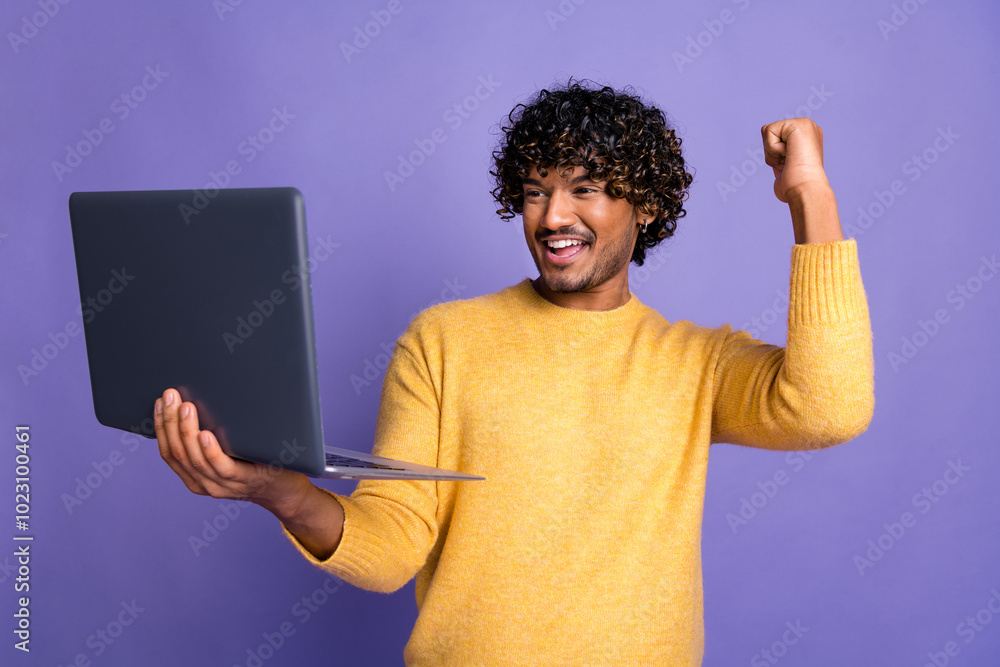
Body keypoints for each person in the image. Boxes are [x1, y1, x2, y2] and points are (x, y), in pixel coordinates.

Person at [154, 80, 874, 665]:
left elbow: (828, 407)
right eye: (534, 190)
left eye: (586, 187)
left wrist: (810, 195)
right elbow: (390, 548)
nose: (553, 214)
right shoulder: (443, 341)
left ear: (646, 207)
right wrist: (276, 490)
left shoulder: (696, 362)